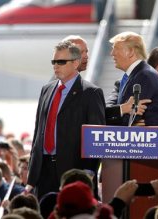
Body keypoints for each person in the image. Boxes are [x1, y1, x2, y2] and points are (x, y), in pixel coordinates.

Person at [26, 41, 106, 200]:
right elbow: (38, 131)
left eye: (61, 62)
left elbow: (96, 137)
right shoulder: (47, 89)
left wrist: (88, 172)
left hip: (73, 171)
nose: (56, 66)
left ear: (76, 63)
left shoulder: (91, 93)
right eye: (54, 62)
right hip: (43, 170)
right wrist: (32, 173)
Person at [106, 31, 158, 126]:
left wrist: (126, 118)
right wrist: (123, 109)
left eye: (116, 49)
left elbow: (129, 119)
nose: (112, 53)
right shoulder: (130, 77)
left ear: (131, 52)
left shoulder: (145, 76)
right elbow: (108, 108)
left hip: (154, 140)